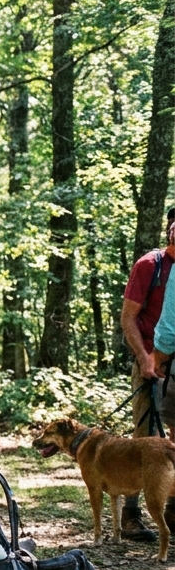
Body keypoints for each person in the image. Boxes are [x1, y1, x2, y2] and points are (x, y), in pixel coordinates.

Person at [126, 212, 175, 538]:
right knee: (143, 439)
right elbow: (128, 318)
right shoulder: (150, 266)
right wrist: (145, 360)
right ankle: (131, 515)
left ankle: (171, 514)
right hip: (150, 365)